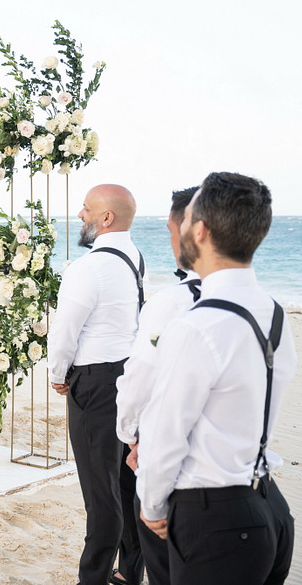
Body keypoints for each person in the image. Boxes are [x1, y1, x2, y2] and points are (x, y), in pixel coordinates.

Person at [137, 172, 295, 585]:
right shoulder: (274, 311)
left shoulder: (196, 325)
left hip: (217, 522)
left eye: (187, 218)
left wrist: (152, 507)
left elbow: (165, 434)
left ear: (201, 231)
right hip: (270, 506)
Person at [47, 183, 143, 585]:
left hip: (95, 382)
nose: (80, 214)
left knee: (100, 490)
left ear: (106, 218)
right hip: (130, 375)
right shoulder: (134, 256)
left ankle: (93, 577)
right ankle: (130, 572)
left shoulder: (87, 267)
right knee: (127, 481)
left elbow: (65, 329)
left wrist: (57, 374)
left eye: (86, 209)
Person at [115, 186, 200, 585]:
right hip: (264, 500)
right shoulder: (267, 309)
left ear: (192, 231)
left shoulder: (171, 304)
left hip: (190, 490)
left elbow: (138, 386)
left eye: (169, 230)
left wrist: (133, 439)